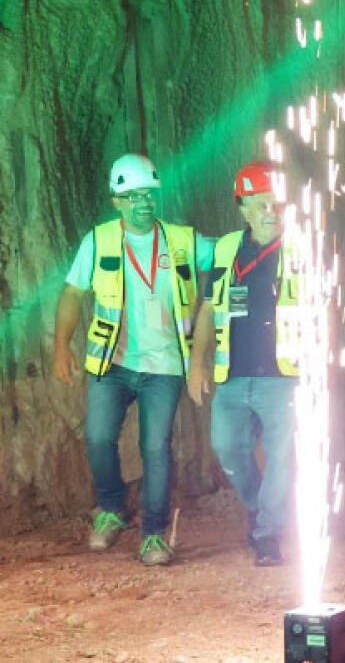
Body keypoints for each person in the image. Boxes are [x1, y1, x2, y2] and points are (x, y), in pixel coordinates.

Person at [52, 153, 213, 566]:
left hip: (164, 366)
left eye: (149, 194)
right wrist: (61, 345)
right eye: (134, 195)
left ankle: (155, 535)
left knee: (155, 447)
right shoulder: (100, 240)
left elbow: (227, 256)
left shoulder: (180, 239)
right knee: (99, 438)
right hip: (113, 363)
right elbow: (72, 293)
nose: (144, 202)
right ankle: (111, 508)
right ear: (116, 200)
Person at [187, 161, 299, 566]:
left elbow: (329, 309)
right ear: (243, 208)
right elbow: (208, 310)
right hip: (232, 376)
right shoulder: (225, 249)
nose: (271, 210)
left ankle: (268, 534)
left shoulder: (304, 246)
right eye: (261, 203)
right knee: (228, 448)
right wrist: (196, 364)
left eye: (278, 202)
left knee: (282, 457)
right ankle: (257, 508)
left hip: (284, 376)